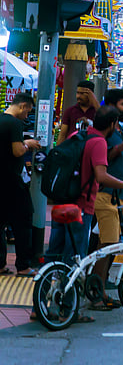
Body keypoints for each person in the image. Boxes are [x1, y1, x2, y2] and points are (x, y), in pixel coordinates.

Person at [91, 89, 123, 307]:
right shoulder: (106, 131)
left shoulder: (120, 128)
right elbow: (102, 160)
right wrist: (119, 148)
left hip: (120, 196)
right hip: (108, 196)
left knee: (105, 246)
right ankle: (96, 294)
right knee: (107, 246)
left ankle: (97, 287)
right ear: (111, 106)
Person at [0, 92, 40, 276]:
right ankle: (23, 266)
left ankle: (0, 264)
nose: (27, 116)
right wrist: (28, 143)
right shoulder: (14, 123)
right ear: (23, 106)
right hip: (13, 182)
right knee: (24, 221)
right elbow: (17, 151)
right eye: (28, 111)